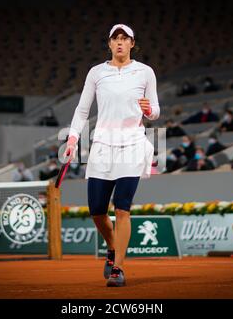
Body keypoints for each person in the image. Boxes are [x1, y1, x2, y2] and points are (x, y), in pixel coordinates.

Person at [64, 24, 159, 287]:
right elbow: (82, 111)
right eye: (115, 38)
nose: (119, 42)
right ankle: (111, 247)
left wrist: (149, 109)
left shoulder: (145, 72)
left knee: (122, 209)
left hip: (132, 144)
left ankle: (118, 268)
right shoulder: (97, 73)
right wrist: (73, 137)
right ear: (109, 44)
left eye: (124, 38)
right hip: (102, 146)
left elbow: (155, 111)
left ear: (131, 43)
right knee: (96, 211)